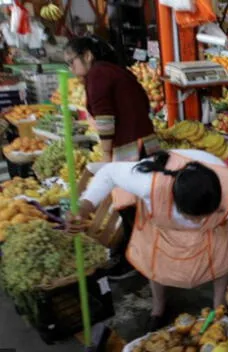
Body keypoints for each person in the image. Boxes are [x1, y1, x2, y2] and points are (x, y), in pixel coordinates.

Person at [66, 149, 228, 331]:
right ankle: (158, 309)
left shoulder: (227, 189)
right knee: (155, 258)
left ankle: (220, 308)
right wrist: (85, 207)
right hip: (161, 227)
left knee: (221, 254)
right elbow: (108, 173)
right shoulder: (147, 182)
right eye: (195, 217)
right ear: (175, 200)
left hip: (211, 234)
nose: (200, 221)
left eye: (206, 215)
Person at [64, 36, 160, 279]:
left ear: (87, 55)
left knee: (130, 207)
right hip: (143, 144)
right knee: (137, 207)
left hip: (130, 150)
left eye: (71, 62)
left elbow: (105, 119)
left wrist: (107, 159)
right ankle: (137, 255)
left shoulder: (97, 74)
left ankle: (139, 260)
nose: (71, 70)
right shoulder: (114, 71)